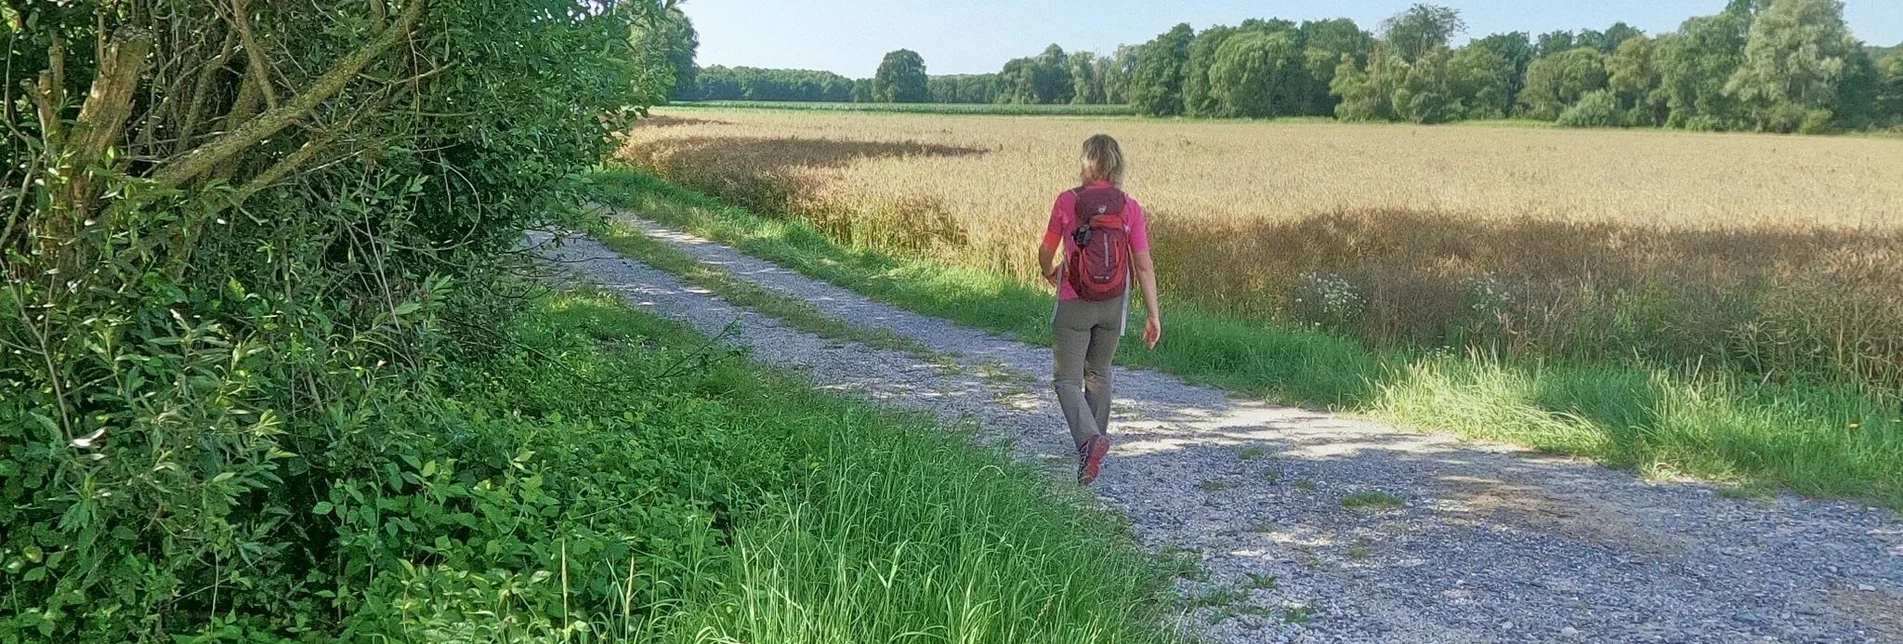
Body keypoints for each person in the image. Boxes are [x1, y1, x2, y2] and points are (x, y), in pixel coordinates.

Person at [1038, 134, 1162, 486]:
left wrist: (1049, 272)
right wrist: (1153, 314)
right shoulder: (1130, 207)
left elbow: (1046, 250)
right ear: (1118, 164)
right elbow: (1144, 265)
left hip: (1074, 299)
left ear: (1086, 164)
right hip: (1113, 302)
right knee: (1100, 372)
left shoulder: (1067, 201)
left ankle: (1090, 442)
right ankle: (1092, 446)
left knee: (1066, 379)